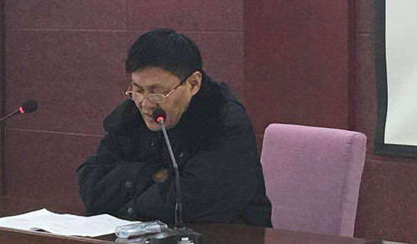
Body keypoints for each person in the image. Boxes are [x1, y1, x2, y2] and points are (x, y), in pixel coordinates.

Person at [77, 28, 272, 227]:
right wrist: (153, 174)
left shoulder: (224, 119)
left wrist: (128, 207)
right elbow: (91, 184)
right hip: (141, 237)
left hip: (229, 238)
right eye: (137, 89)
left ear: (193, 84)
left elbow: (196, 200)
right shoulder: (132, 114)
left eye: (157, 92)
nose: (145, 104)